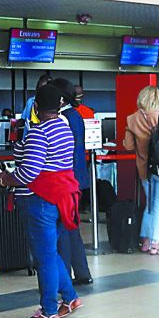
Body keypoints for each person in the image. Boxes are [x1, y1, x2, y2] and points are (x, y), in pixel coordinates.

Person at [1, 82, 80, 318]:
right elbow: (32, 158)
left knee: (44, 258)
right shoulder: (63, 128)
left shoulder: (39, 132)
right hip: (61, 199)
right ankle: (70, 298)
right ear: (59, 105)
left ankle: (48, 312)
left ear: (35, 106)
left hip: (40, 202)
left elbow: (28, 172)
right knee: (51, 253)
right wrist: (20, 142)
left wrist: (6, 179)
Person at [122, 85, 159, 255]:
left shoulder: (132, 119)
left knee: (150, 205)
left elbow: (128, 146)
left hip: (144, 169)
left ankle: (145, 241)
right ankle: (155, 244)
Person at [52, 79, 94, 284]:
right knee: (72, 227)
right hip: (77, 178)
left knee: (63, 229)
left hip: (66, 180)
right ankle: (82, 272)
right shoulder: (76, 115)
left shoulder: (63, 118)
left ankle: (66, 276)